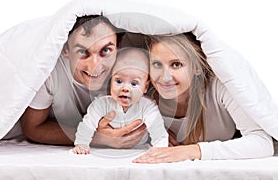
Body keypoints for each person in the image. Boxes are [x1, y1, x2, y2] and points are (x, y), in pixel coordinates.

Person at [132, 33, 274, 163]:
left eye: (176, 64)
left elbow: (263, 143)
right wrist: (150, 132)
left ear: (197, 67)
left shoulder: (220, 87)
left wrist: (192, 151)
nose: (165, 77)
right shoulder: (143, 96)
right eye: (157, 64)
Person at [20, 15, 147, 148]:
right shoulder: (50, 72)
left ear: (118, 47)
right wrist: (94, 137)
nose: (94, 66)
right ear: (65, 50)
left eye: (105, 50)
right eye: (82, 52)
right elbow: (32, 129)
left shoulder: (132, 67)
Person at [72, 47, 168, 154]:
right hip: (107, 148)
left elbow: (157, 129)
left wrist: (160, 148)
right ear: (111, 80)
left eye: (134, 84)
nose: (125, 88)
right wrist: (82, 144)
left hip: (139, 147)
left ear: (145, 87)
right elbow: (87, 124)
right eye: (118, 81)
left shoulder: (147, 106)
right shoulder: (102, 103)